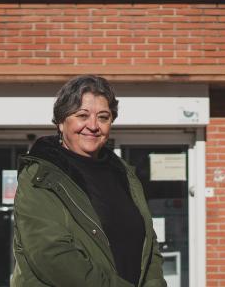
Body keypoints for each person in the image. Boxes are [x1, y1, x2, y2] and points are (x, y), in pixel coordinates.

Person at [11, 75, 167, 287]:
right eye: (82, 115)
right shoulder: (40, 176)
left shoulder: (124, 175)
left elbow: (150, 245)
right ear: (60, 122)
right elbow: (52, 256)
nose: (93, 125)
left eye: (103, 117)